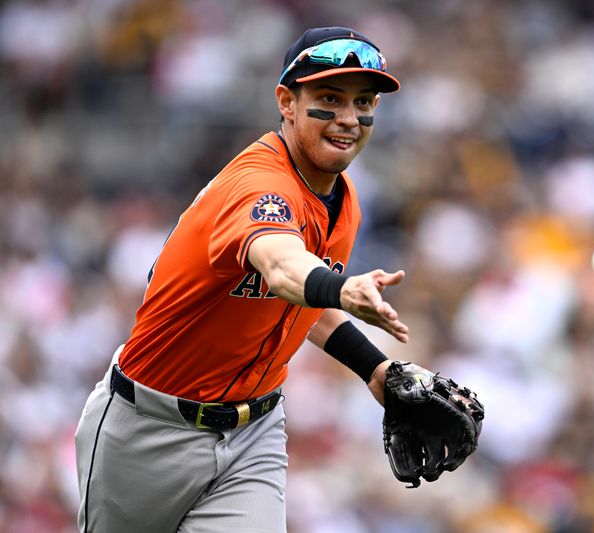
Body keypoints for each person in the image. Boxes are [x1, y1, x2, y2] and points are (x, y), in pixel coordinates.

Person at [75, 26, 408, 532]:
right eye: (329, 98)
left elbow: (297, 301)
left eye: (363, 102)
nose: (348, 118)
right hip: (148, 431)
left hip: (254, 433)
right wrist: (340, 287)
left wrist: (374, 369)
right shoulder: (261, 184)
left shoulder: (343, 199)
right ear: (286, 101)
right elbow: (282, 267)